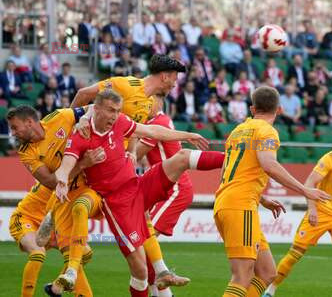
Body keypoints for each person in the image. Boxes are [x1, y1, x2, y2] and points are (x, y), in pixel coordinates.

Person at [54, 90, 213, 297]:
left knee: (141, 269)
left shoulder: (121, 121)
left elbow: (152, 131)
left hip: (131, 190)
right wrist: (61, 181)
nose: (114, 115)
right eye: (111, 110)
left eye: (117, 111)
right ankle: (72, 270)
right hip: (106, 198)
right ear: (97, 108)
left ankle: (161, 273)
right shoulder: (82, 133)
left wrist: (187, 135)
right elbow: (66, 164)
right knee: (81, 208)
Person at [214, 86, 330, 297]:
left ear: (252, 108)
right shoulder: (267, 131)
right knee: (242, 276)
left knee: (267, 272)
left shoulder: (237, 131)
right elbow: (269, 165)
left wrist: (262, 198)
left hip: (229, 200)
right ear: (279, 110)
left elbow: (228, 172)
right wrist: (305, 190)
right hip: (240, 205)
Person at [7, 105, 103, 297]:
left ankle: (56, 287)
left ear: (29, 122)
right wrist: (83, 164)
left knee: (81, 254)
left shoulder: (61, 117)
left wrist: (84, 119)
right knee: (38, 253)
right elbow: (52, 182)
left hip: (55, 218)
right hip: (27, 217)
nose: (13, 133)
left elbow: (94, 107)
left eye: (15, 127)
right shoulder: (26, 151)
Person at [136, 96, 224, 296]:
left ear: (158, 103)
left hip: (173, 188)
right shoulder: (157, 122)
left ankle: (162, 288)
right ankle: (163, 290)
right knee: (146, 242)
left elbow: (136, 152)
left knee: (146, 239)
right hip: (165, 188)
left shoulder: (156, 123)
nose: (143, 105)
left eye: (148, 102)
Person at [264, 127, 332, 297]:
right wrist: (312, 209)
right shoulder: (330, 158)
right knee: (295, 254)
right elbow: (309, 184)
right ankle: (270, 290)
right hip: (320, 211)